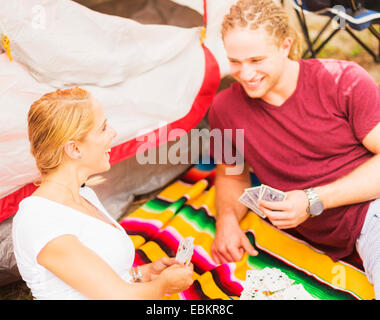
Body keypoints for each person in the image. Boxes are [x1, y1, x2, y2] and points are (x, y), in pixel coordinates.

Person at [208, 0, 380, 298]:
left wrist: (313, 199)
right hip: (334, 239)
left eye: (256, 60)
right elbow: (232, 175)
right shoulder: (225, 108)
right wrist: (226, 219)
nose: (245, 74)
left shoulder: (343, 81)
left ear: (286, 45)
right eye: (235, 61)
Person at [12, 87, 194, 300]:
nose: (113, 133)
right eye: (103, 128)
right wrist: (162, 285)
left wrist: (143, 274)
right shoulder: (39, 221)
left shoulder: (85, 196)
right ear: (74, 149)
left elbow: (96, 280)